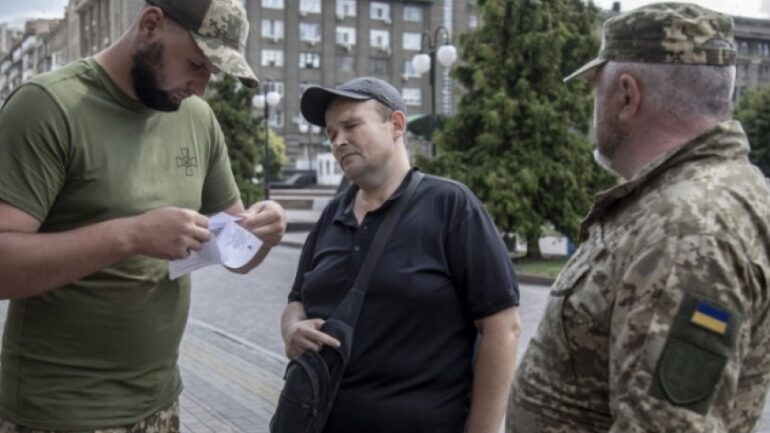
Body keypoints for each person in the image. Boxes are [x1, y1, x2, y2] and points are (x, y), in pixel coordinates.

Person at [0, 0, 286, 431]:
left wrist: (265, 232)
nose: (200, 87)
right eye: (196, 64)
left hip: (161, 404)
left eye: (212, 73)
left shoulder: (197, 118)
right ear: (151, 24)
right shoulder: (48, 106)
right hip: (59, 412)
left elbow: (236, 250)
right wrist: (131, 236)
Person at [508, 3, 770, 433]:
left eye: (597, 89)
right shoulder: (686, 199)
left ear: (627, 96)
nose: (594, 106)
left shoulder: (690, 226)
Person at [280, 76, 522, 433]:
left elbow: (502, 328)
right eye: (331, 133)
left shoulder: (450, 206)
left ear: (396, 124)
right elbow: (296, 299)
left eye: (351, 125)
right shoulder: (333, 214)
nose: (339, 141)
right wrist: (291, 329)